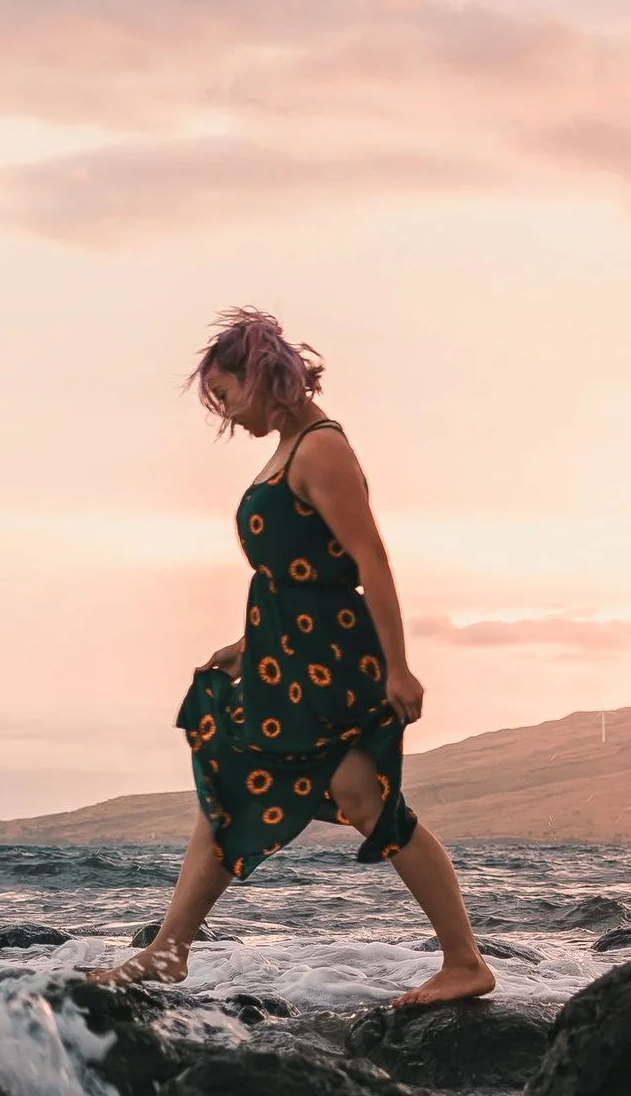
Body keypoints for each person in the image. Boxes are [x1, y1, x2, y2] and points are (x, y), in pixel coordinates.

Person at [87, 307, 496, 1010]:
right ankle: (167, 950)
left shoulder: (320, 449)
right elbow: (300, 567)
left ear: (265, 374)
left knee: (365, 798)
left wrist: (399, 666)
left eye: (226, 393)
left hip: (331, 662)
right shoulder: (288, 446)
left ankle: (465, 962)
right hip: (284, 657)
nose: (223, 410)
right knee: (228, 784)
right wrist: (249, 646)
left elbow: (369, 560)